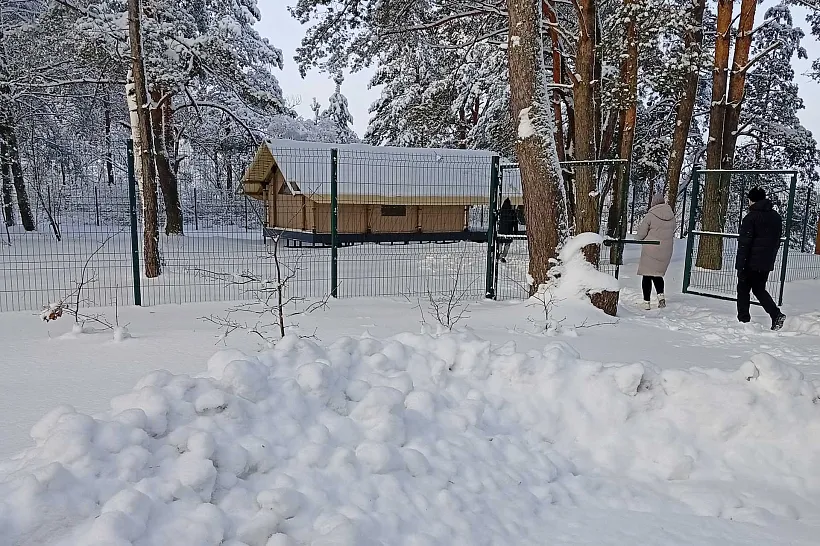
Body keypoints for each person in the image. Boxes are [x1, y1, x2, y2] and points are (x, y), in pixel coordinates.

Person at [736, 187, 786, 331]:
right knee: (758, 289)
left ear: (752, 200)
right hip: (766, 261)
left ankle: (743, 320)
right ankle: (775, 314)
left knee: (743, 289)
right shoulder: (776, 217)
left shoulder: (750, 218)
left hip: (750, 262)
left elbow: (745, 243)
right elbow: (776, 241)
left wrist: (741, 265)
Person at [635, 193, 676, 310]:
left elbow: (642, 233)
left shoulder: (650, 215)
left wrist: (637, 238)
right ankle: (661, 297)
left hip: (651, 248)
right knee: (657, 274)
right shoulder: (671, 215)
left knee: (647, 275)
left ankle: (646, 303)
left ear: (653, 203)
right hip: (666, 249)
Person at [497, 198, 518, 263]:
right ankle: (503, 255)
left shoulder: (500, 212)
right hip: (509, 231)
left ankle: (499, 253)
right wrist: (515, 231)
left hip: (501, 231)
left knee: (500, 243)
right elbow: (515, 222)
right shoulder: (512, 212)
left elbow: (497, 221)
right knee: (507, 244)